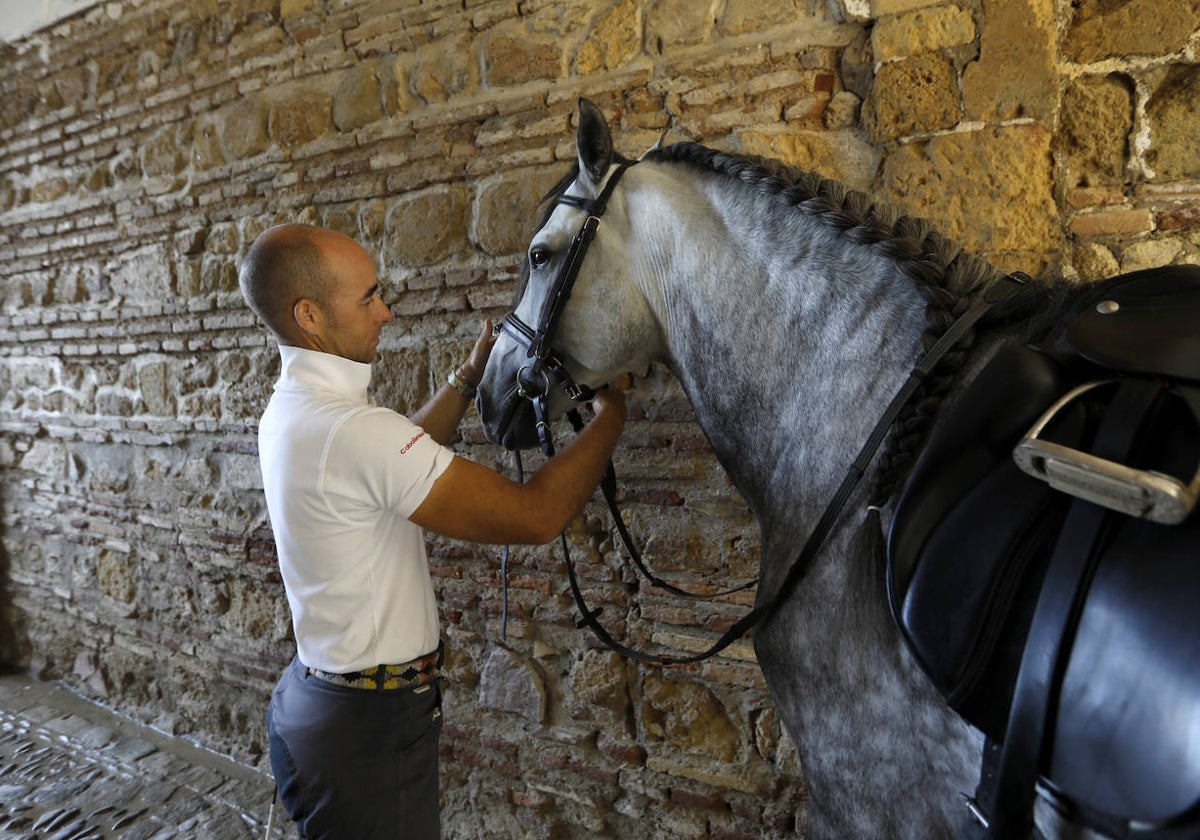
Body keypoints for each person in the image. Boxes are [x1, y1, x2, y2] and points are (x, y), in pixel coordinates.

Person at [238, 223, 626, 839]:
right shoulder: (352, 431)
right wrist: (610, 418)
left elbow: (393, 463)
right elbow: (534, 516)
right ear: (308, 314)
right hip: (367, 730)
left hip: (318, 704)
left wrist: (469, 377)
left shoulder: (297, 408)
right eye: (368, 298)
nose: (385, 312)